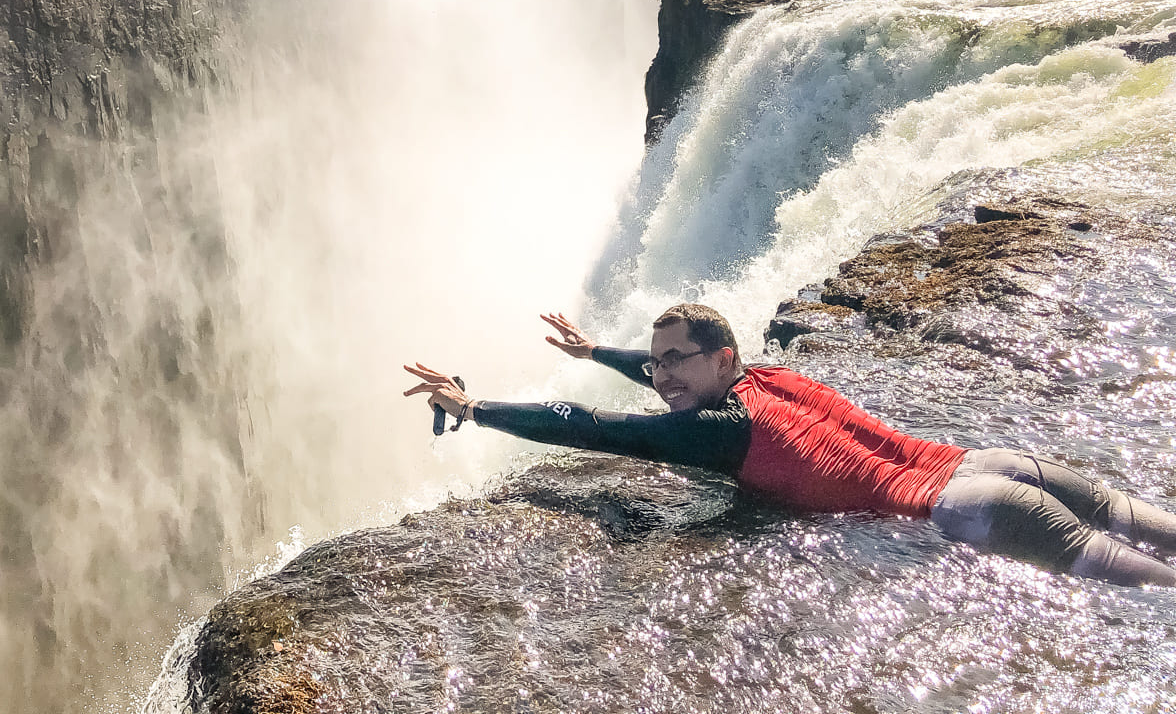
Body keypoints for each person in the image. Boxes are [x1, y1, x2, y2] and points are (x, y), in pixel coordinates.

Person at [404, 303, 1176, 586]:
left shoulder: (718, 429)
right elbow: (667, 382)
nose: (661, 374)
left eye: (674, 359)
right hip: (990, 463)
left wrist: (473, 408)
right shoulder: (767, 376)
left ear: (722, 360)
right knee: (1136, 520)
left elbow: (591, 427)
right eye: (656, 359)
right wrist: (598, 352)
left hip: (965, 507)